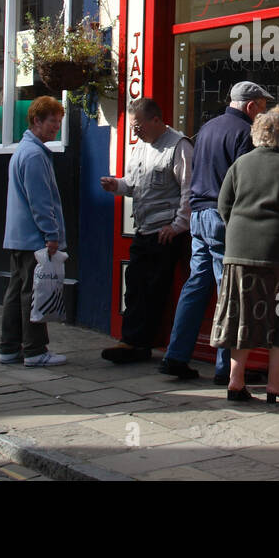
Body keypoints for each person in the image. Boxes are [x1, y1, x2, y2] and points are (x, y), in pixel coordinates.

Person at [158, 81, 272, 383]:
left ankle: (176, 355)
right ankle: (228, 369)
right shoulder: (245, 133)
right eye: (261, 106)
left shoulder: (207, 128)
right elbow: (247, 183)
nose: (262, 112)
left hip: (198, 216)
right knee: (229, 291)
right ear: (250, 106)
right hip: (224, 218)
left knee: (196, 285)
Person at [211, 106, 279, 403]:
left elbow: (224, 205)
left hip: (240, 255)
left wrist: (238, 231)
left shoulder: (240, 165)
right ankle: (276, 385)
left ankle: (235, 382)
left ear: (257, 133)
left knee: (242, 316)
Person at [99, 97, 192, 364]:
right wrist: (115, 185)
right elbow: (133, 184)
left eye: (138, 125)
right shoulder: (140, 147)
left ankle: (139, 343)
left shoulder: (178, 146)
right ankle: (132, 342)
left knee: (153, 290)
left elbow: (188, 190)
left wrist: (177, 225)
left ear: (156, 119)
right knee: (135, 287)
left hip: (165, 233)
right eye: (132, 126)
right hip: (144, 228)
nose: (135, 131)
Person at [0, 95, 69, 368]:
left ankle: (9, 348)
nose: (56, 128)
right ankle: (35, 351)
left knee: (16, 293)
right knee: (34, 294)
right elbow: (40, 202)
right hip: (34, 239)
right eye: (53, 122)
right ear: (37, 121)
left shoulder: (25, 151)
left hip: (19, 236)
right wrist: (51, 235)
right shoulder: (34, 155)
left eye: (59, 122)